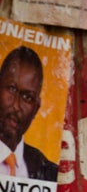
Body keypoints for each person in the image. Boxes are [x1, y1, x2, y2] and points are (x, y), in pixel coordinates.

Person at [0, 46, 57, 182]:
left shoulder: (50, 173)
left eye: (27, 97)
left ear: (36, 109)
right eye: (12, 89)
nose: (16, 105)